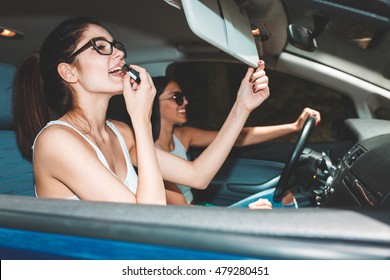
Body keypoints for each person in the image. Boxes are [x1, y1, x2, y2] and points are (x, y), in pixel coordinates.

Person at [13, 17, 271, 207]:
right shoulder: (56, 141)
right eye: (101, 47)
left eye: (116, 45)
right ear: (69, 72)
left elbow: (197, 176)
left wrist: (242, 105)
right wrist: (141, 119)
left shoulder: (120, 132)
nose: (119, 53)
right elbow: (147, 218)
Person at [149, 76, 321, 206]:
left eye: (184, 97)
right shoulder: (149, 154)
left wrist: (294, 127)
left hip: (200, 208)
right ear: (153, 102)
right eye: (176, 97)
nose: (185, 102)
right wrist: (244, 214)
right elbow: (182, 211)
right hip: (190, 218)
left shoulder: (183, 135)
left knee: (286, 199)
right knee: (280, 203)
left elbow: (236, 138)